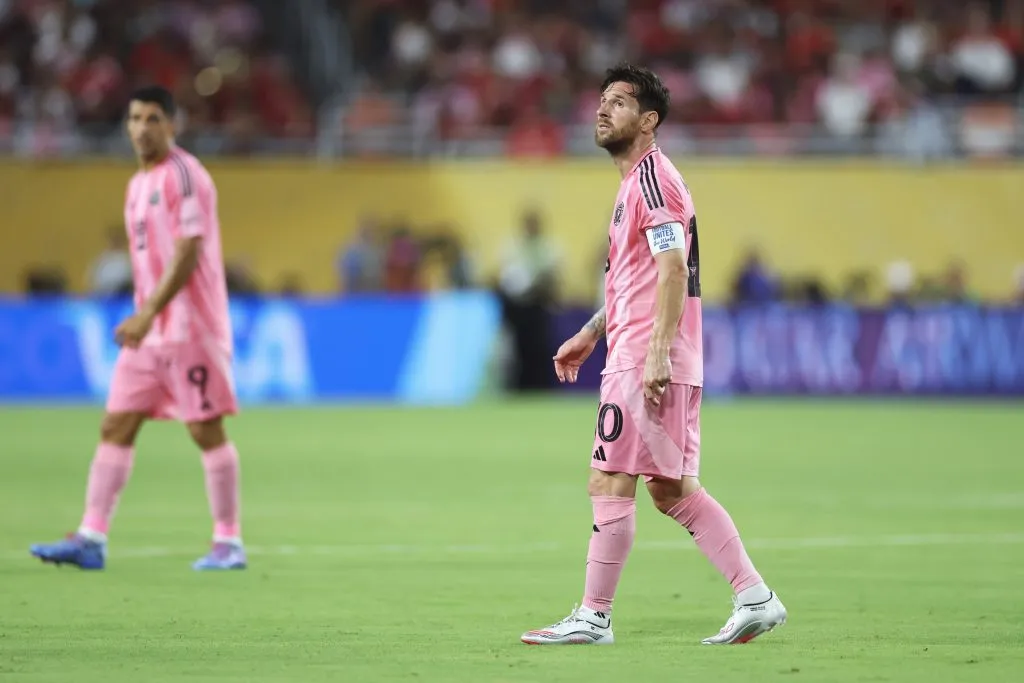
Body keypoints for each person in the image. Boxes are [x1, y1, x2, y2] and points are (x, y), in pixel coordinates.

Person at [520, 64, 786, 646]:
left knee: (610, 477)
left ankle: (593, 617)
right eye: (601, 100)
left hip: (647, 355)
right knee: (669, 490)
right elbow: (638, 281)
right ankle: (754, 596)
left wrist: (656, 352)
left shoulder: (652, 181)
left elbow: (671, 270)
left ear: (648, 120)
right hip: (644, 349)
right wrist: (594, 330)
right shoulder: (635, 185)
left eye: (617, 102)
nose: (602, 110)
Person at [30, 86, 246, 572]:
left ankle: (229, 542)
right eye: (134, 118)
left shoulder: (186, 176)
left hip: (191, 327)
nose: (141, 128)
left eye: (152, 118)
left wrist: (148, 312)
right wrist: (145, 316)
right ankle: (91, 537)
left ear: (173, 124)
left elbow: (188, 252)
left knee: (204, 428)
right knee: (117, 423)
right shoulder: (135, 185)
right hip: (149, 328)